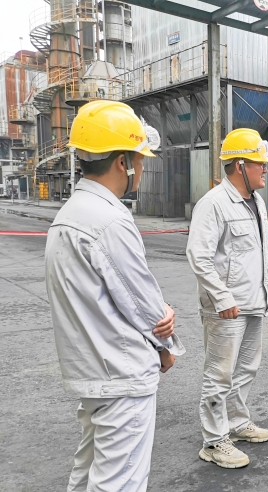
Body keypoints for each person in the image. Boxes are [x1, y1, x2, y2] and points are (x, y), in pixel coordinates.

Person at [45, 100, 185, 492]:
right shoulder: (109, 220)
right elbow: (141, 302)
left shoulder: (70, 214)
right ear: (123, 162)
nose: (142, 166)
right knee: (119, 483)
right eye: (139, 158)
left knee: (88, 473)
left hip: (92, 369)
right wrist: (166, 346)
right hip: (121, 376)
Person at [186, 128, 268, 469]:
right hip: (226, 309)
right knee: (219, 374)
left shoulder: (256, 202)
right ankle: (213, 441)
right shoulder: (213, 204)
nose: (265, 169)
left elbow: (264, 245)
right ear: (239, 166)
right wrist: (221, 298)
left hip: (253, 303)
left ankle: (235, 423)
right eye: (259, 164)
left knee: (246, 368)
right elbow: (198, 256)